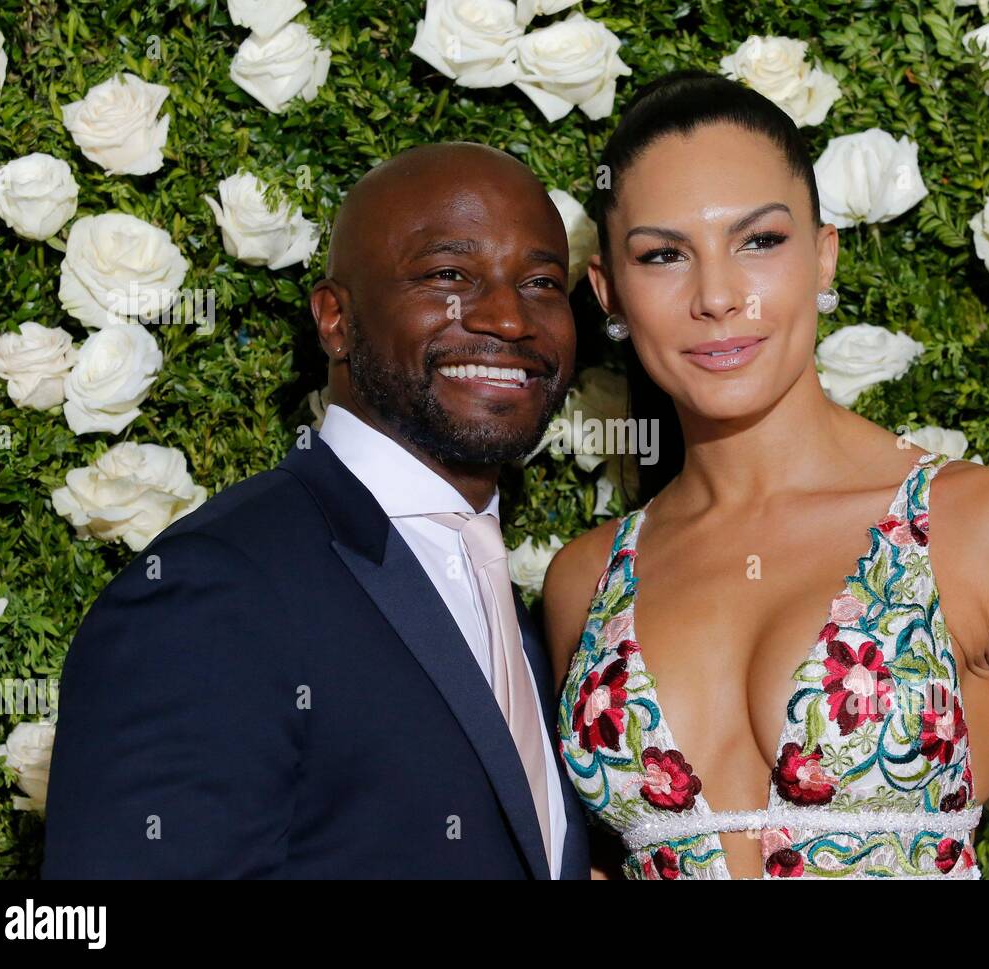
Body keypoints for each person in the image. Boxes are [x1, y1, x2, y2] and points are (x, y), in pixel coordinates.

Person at [541, 70, 989, 880]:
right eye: (663, 255)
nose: (718, 296)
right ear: (609, 292)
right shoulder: (585, 581)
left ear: (823, 258)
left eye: (760, 241)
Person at [43, 143, 590, 879]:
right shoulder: (210, 592)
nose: (508, 318)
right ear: (335, 319)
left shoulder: (514, 594)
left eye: (541, 283)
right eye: (448, 275)